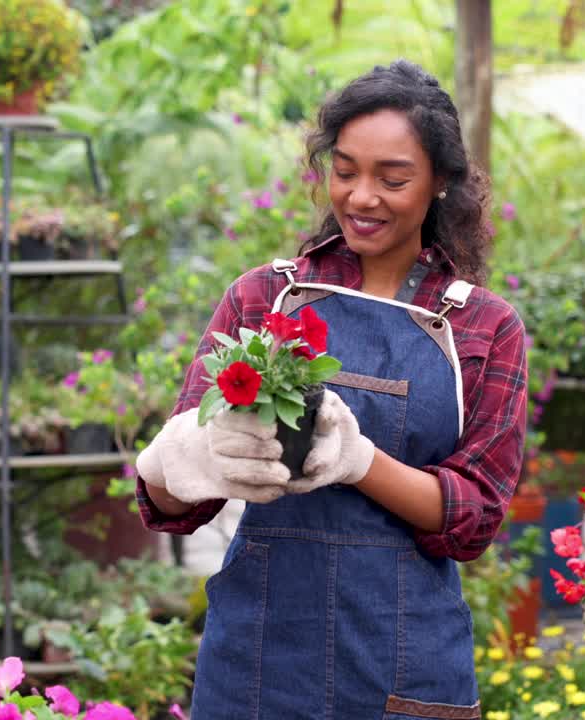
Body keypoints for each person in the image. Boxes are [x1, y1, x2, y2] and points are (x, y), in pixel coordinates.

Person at [135, 60, 528, 719]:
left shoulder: (483, 327)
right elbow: (172, 505)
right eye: (344, 171)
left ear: (439, 184)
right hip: (260, 658)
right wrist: (176, 460)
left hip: (403, 660)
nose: (361, 197)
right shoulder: (264, 297)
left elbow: (475, 515)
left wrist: (360, 462)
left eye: (392, 178)